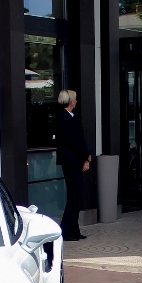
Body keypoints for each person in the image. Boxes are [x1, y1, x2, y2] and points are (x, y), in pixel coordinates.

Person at [55, 89, 91, 241]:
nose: (76, 101)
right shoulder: (64, 119)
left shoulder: (70, 117)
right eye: (75, 99)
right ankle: (67, 230)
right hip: (71, 161)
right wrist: (86, 157)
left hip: (74, 160)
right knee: (74, 196)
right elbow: (74, 141)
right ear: (70, 101)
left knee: (75, 196)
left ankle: (73, 230)